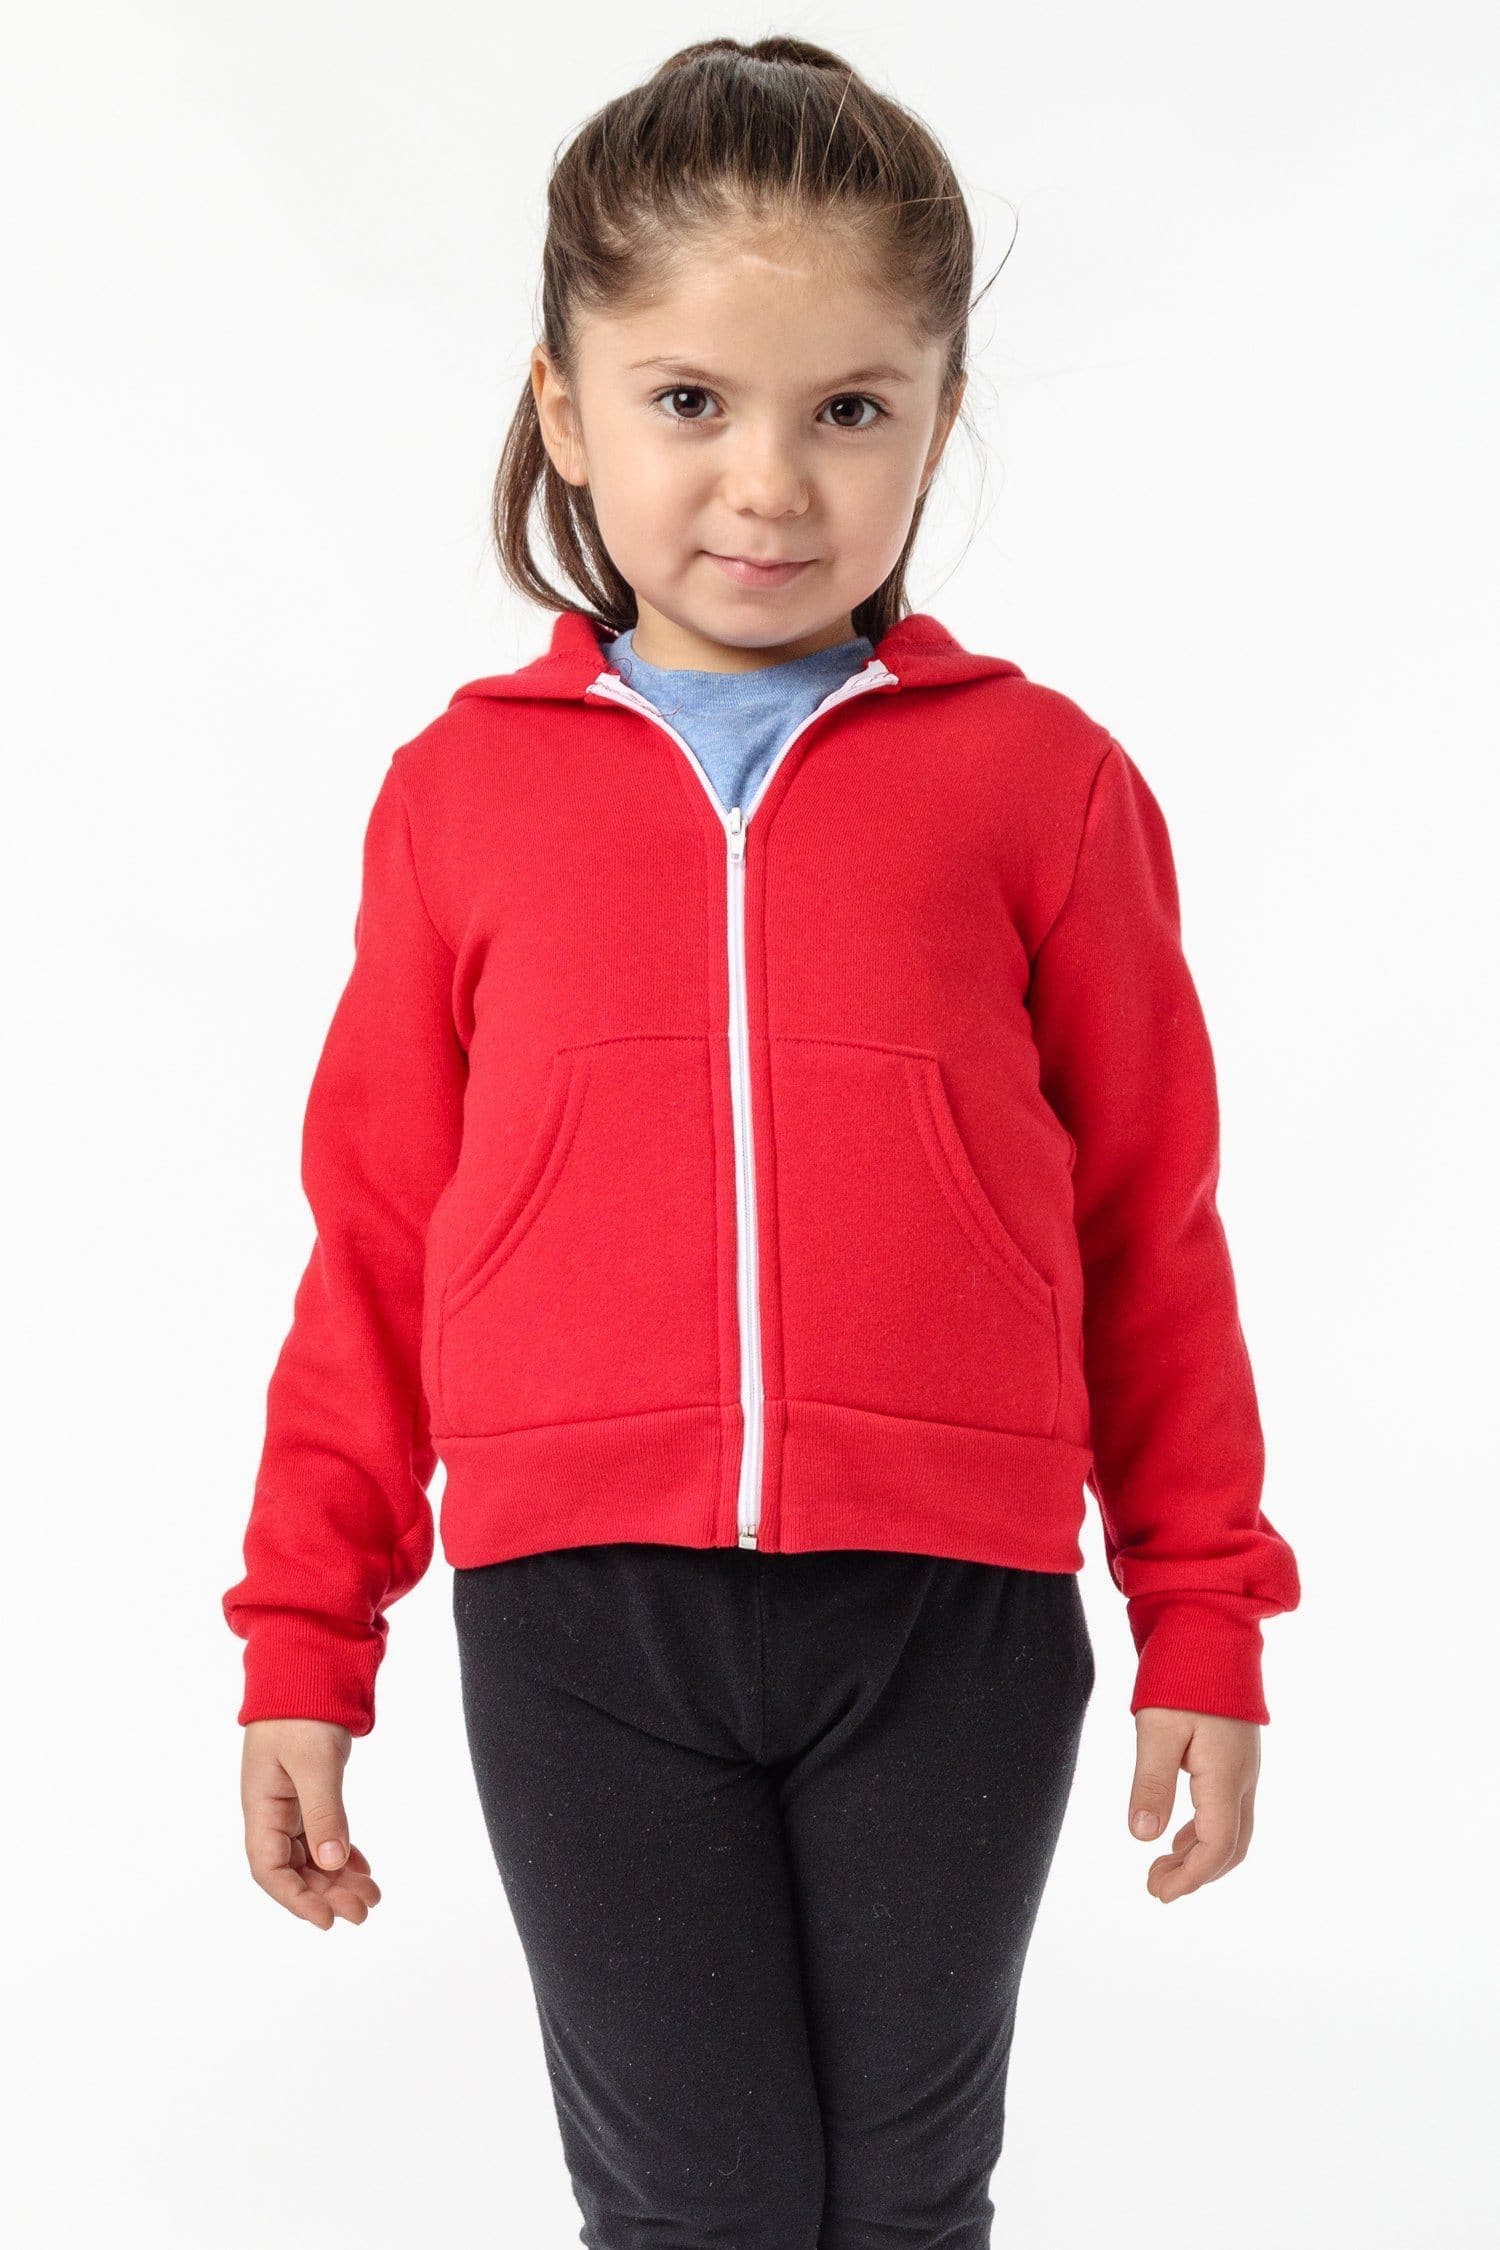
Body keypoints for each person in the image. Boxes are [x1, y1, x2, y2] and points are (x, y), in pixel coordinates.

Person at [223, 33, 1301, 2247]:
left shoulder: (1044, 787)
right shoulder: (461, 798)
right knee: (693, 2199)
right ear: (566, 408)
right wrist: (305, 1637)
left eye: (852, 409)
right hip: (579, 1617)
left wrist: (1201, 1610)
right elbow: (378, 1239)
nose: (772, 485)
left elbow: (1149, 1227)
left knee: (904, 2197)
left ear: (940, 417)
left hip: (950, 1613)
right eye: (692, 400)